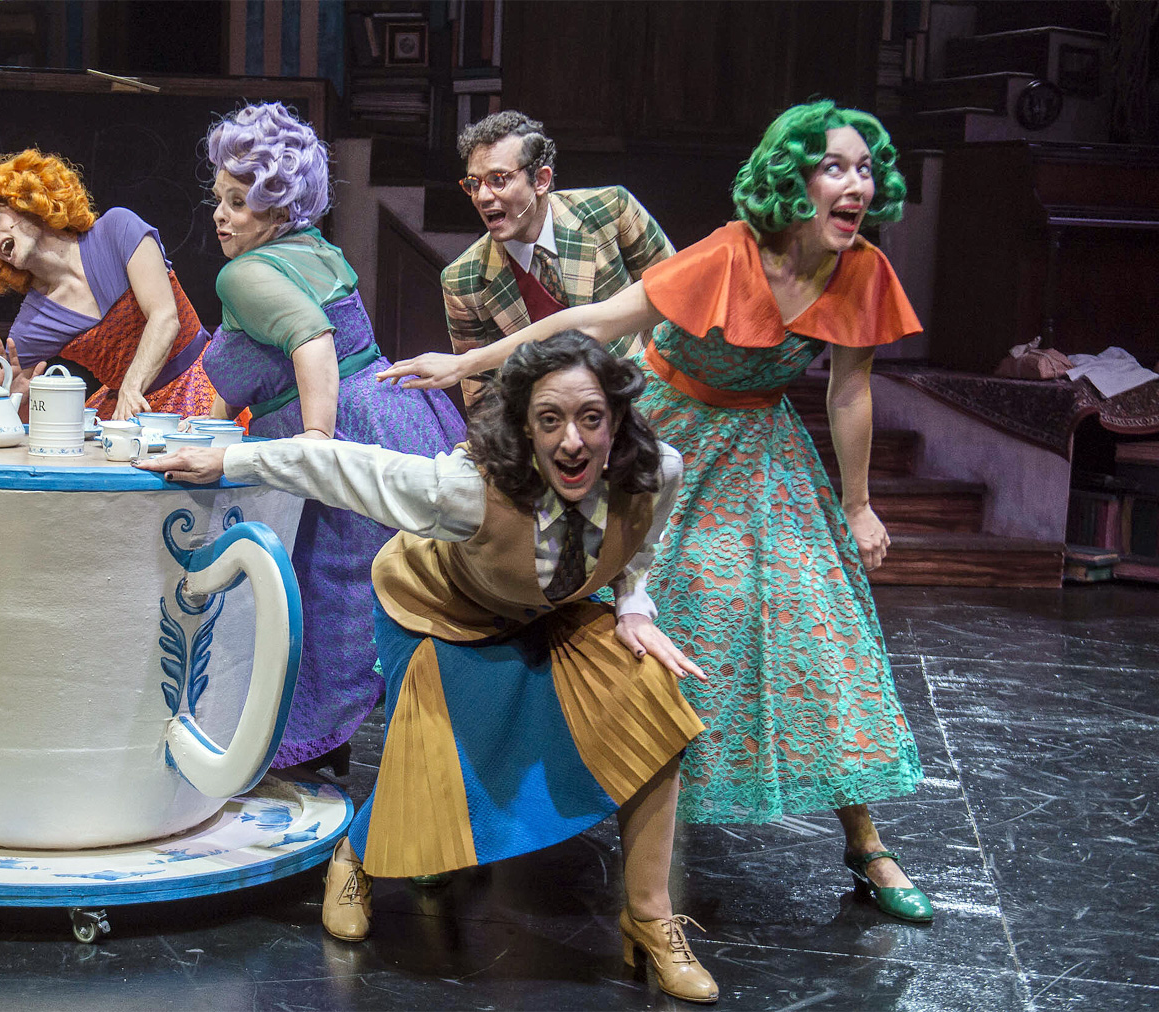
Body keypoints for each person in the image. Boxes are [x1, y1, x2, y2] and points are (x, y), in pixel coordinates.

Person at [381, 99, 934, 924]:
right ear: (793, 180)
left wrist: (858, 504)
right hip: (655, 433)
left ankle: (865, 839)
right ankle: (470, 817)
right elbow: (589, 323)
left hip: (762, 452)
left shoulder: (861, 271)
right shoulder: (726, 256)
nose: (854, 184)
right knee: (570, 615)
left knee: (815, 625)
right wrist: (471, 368)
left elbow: (850, 389)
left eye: (863, 169)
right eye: (833, 167)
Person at [140, 331, 719, 1004]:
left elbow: (637, 548)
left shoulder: (656, 470)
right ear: (524, 426)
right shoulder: (465, 488)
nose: (572, 442)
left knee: (650, 691)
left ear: (616, 419)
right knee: (433, 752)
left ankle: (649, 919)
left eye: (591, 418)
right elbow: (345, 467)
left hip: (543, 612)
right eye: (550, 420)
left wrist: (634, 608)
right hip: (436, 609)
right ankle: (356, 857)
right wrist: (230, 459)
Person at [198, 102, 467, 771]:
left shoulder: (243, 273)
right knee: (378, 591)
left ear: (277, 207)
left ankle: (322, 748)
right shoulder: (313, 250)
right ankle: (364, 748)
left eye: (239, 202)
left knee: (333, 596)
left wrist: (315, 444)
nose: (221, 216)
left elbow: (312, 340)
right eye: (220, 199)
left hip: (346, 431)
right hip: (399, 417)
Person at [0, 149, 219, 421]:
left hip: (198, 387)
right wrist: (18, 399)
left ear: (23, 199)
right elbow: (7, 420)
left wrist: (131, 388)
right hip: (128, 416)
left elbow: (165, 317)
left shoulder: (117, 230)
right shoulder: (32, 324)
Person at [441, 111, 673, 405]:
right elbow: (482, 399)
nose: (483, 197)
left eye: (498, 180)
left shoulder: (611, 212)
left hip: (644, 404)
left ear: (540, 180)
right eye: (474, 184)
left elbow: (678, 301)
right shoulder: (463, 280)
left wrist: (667, 407)